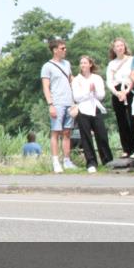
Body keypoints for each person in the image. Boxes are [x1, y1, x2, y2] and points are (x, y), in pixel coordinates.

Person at [71, 55, 113, 173]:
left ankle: (107, 160)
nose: (83, 65)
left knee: (102, 135)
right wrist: (87, 92)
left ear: (90, 64)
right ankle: (91, 162)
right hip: (83, 109)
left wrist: (94, 91)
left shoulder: (97, 78)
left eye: (85, 63)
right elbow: (77, 97)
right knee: (86, 137)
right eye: (81, 63)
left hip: (95, 108)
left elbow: (101, 95)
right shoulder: (77, 80)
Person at [41, 38, 77, 173]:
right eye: (62, 48)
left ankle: (67, 160)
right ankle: (55, 161)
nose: (65, 50)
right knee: (55, 132)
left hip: (69, 102)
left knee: (67, 132)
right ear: (55, 50)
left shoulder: (67, 64)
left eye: (65, 48)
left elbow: (71, 80)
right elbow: (46, 87)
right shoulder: (47, 66)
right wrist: (50, 104)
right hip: (57, 102)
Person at [105, 37, 134, 158]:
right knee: (121, 121)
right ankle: (126, 149)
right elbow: (109, 81)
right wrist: (117, 93)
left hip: (130, 90)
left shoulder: (132, 60)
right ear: (113, 49)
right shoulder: (111, 64)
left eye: (121, 45)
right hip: (117, 91)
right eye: (117, 46)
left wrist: (127, 90)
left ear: (125, 47)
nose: (119, 48)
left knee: (133, 119)